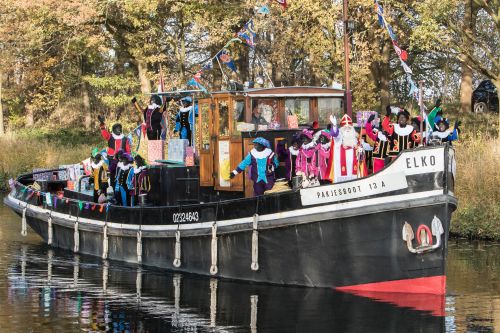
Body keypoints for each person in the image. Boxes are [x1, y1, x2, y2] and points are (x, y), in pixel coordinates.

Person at [326, 114, 366, 183]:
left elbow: (361, 159)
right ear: (341, 130)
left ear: (352, 130)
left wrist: (361, 152)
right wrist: (335, 125)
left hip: (354, 174)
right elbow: (335, 134)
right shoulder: (338, 140)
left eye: (349, 128)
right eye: (345, 128)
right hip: (341, 174)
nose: (347, 129)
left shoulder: (356, 141)